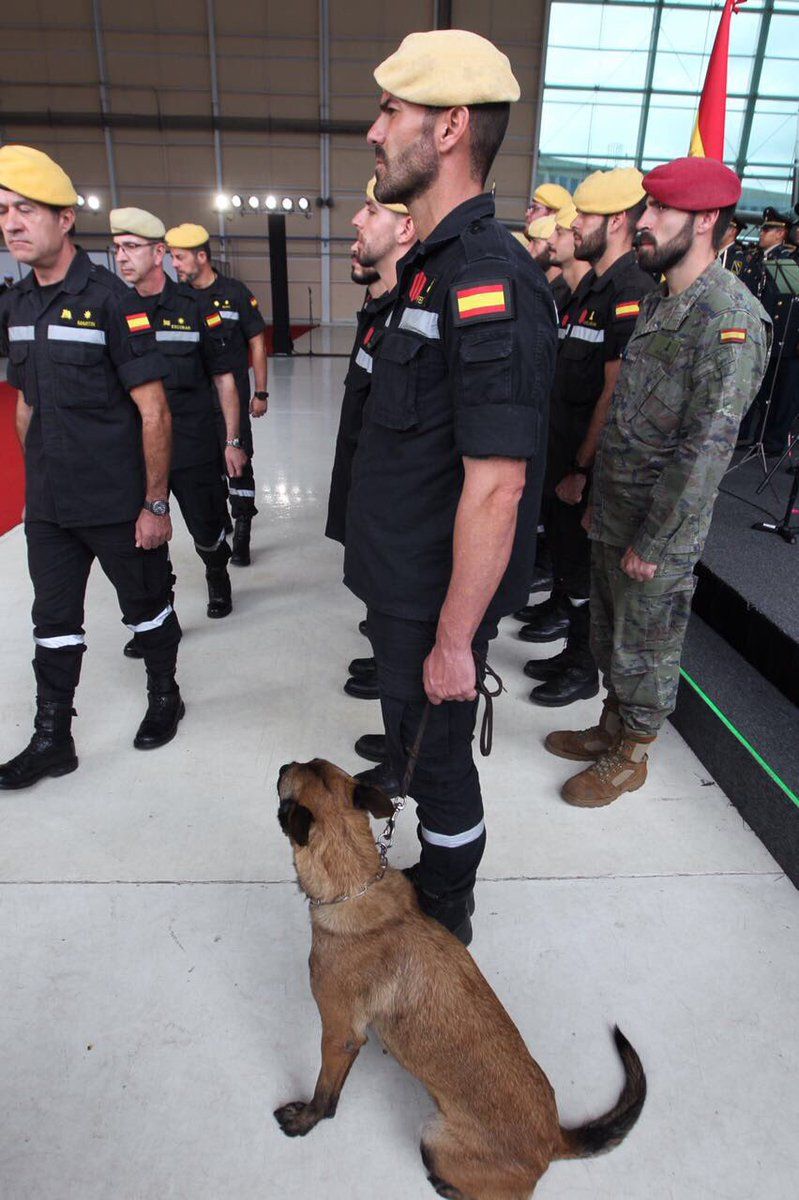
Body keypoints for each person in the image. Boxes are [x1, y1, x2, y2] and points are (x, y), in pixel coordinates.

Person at [345, 29, 557, 942]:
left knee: (436, 769)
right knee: (412, 752)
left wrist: (455, 641)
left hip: (436, 600)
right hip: (404, 583)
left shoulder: (484, 280)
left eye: (391, 110)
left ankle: (445, 913)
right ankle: (436, 876)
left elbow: (498, 486)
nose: (372, 131)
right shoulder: (430, 269)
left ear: (448, 129)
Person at [546, 156, 771, 806]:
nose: (642, 223)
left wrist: (657, 538)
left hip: (657, 528)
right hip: (615, 508)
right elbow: (626, 409)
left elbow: (706, 449)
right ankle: (609, 728)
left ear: (703, 221)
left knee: (646, 647)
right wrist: (594, 497)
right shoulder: (658, 300)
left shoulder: (728, 319)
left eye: (657, 212)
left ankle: (631, 755)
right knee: (610, 636)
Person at [0, 146, 183, 790]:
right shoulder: (17, 305)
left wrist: (155, 505)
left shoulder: (111, 300)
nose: (12, 224)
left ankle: (165, 695)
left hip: (116, 502)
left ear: (66, 218)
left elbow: (154, 411)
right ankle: (53, 738)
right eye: (3, 212)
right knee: (51, 622)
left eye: (26, 210)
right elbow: (25, 405)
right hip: (49, 507)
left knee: (147, 608)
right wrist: (33, 487)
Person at [519, 168, 657, 709]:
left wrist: (581, 467)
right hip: (564, 450)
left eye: (585, 220)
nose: (570, 231)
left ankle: (583, 666)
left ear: (615, 221)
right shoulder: (590, 290)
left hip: (588, 465)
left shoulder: (630, 291)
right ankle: (571, 646)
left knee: (583, 565)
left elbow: (614, 390)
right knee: (569, 557)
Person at [111, 208, 246, 631]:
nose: (121, 257)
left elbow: (224, 379)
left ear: (159, 253)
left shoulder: (196, 307)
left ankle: (215, 572)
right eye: (117, 248)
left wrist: (233, 440)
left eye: (131, 247)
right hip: (136, 449)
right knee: (145, 538)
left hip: (192, 443)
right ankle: (158, 616)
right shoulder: (113, 310)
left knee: (206, 527)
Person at [326, 178, 415, 718]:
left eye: (369, 210)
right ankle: (390, 666)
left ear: (406, 227)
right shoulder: (383, 307)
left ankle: (405, 734)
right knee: (388, 619)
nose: (357, 222)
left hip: (398, 510)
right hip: (369, 487)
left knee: (407, 626)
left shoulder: (412, 309)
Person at [168, 223, 268, 567]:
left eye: (179, 257)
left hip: (233, 399)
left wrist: (261, 391)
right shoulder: (177, 301)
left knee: (238, 464)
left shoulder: (235, 293)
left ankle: (242, 529)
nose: (175, 264)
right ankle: (221, 523)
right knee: (207, 467)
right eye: (171, 257)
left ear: (201, 256)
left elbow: (256, 341)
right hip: (194, 406)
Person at [737, 208, 798, 454]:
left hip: (788, 335)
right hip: (768, 333)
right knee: (764, 389)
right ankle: (759, 437)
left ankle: (772, 441)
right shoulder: (758, 259)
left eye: (767, 229)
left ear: (780, 233)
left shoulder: (787, 259)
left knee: (784, 393)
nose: (761, 233)